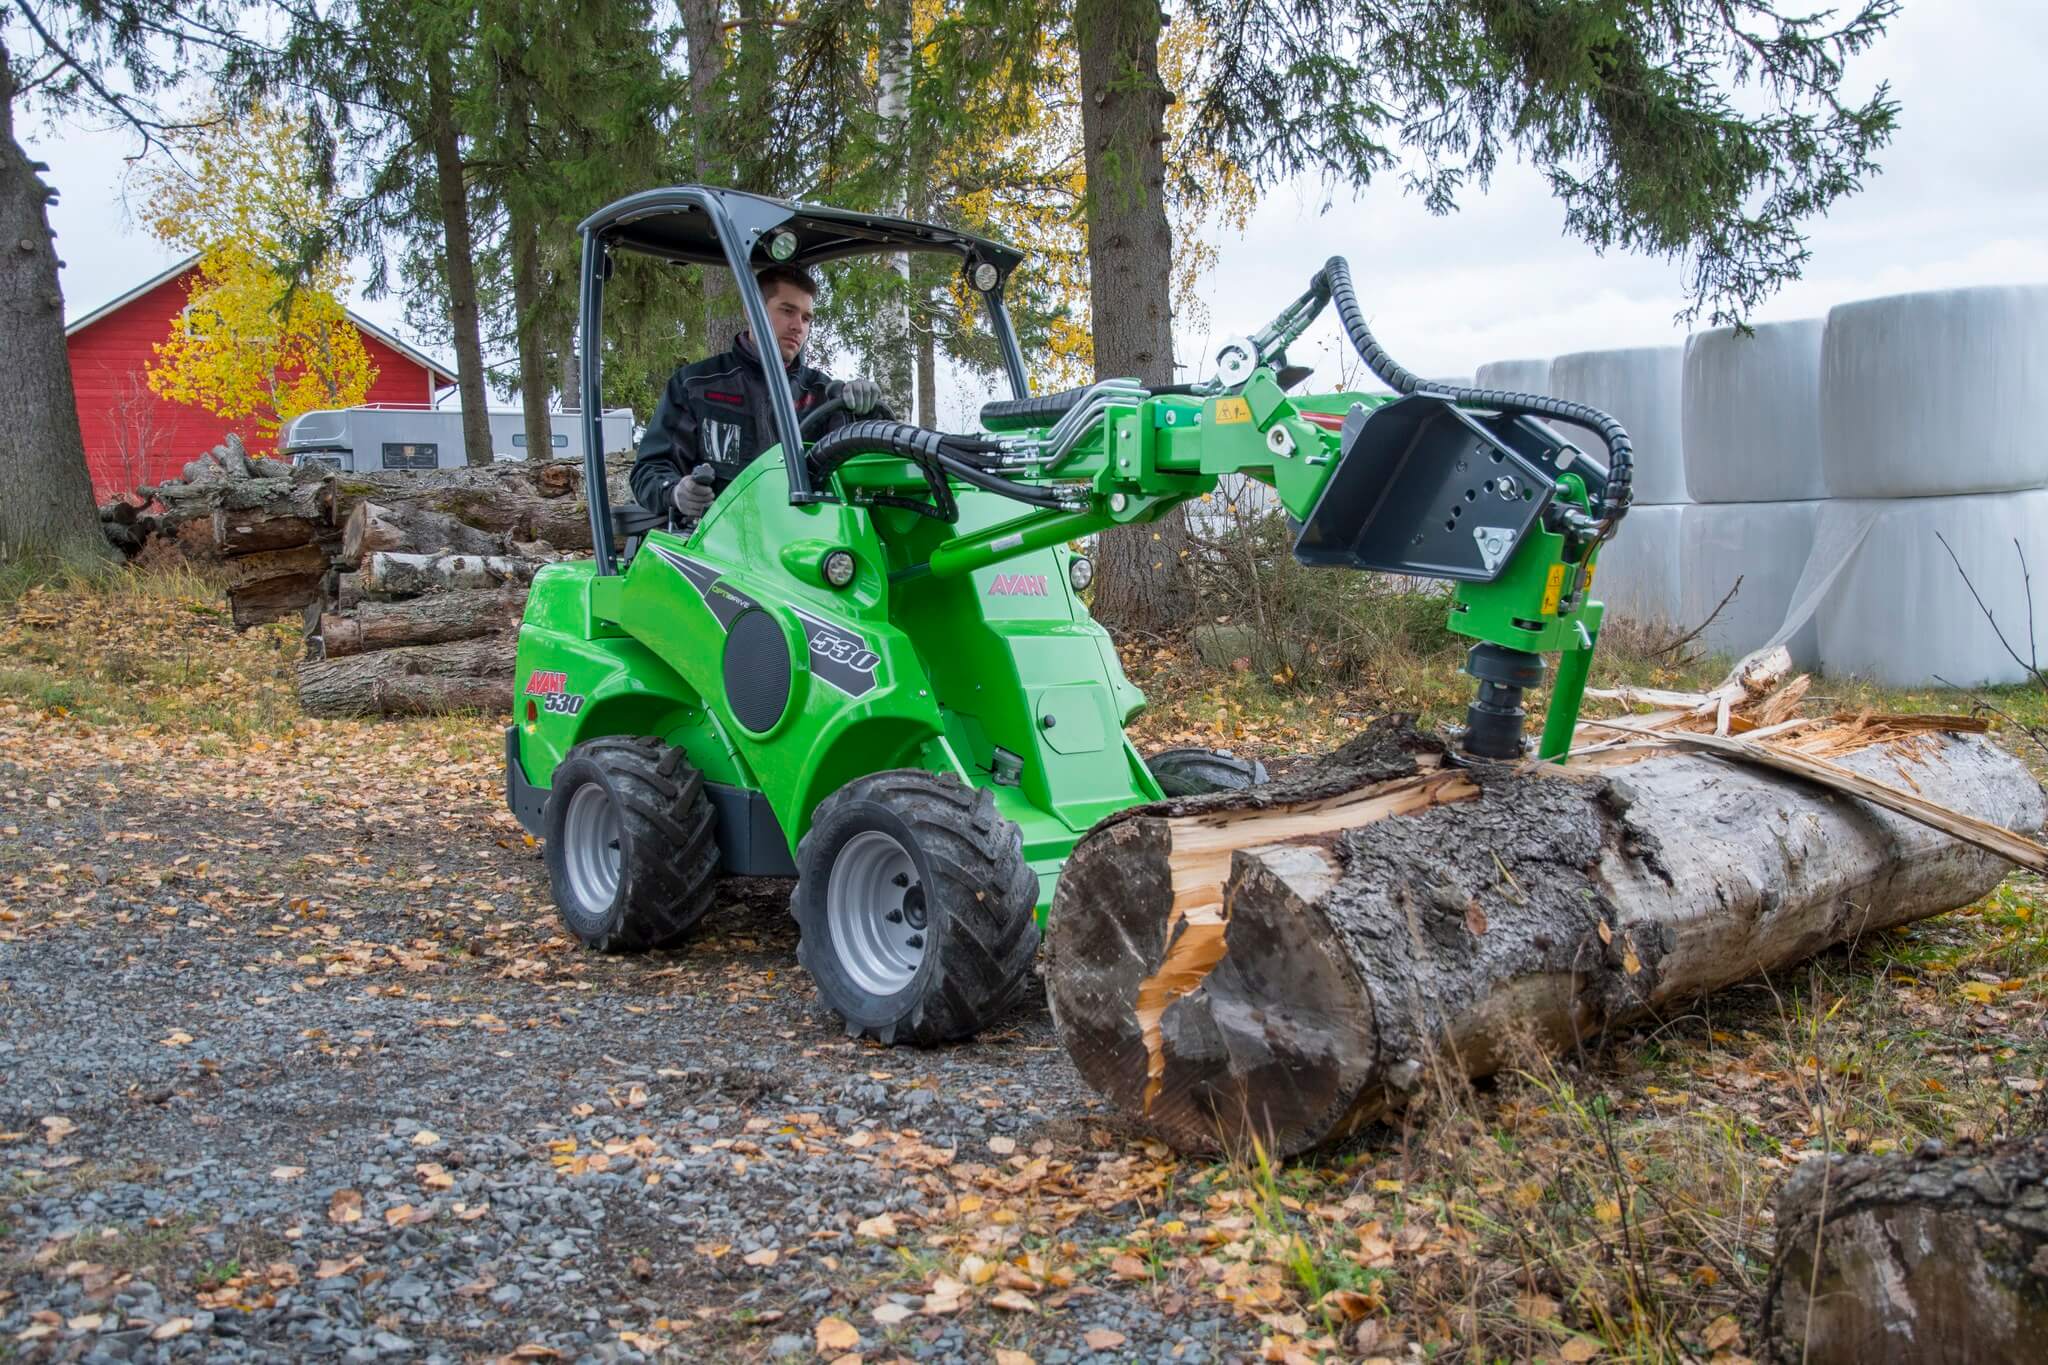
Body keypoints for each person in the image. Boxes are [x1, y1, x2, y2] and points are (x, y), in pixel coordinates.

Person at [630, 263, 889, 521]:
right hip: (718, 533)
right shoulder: (697, 385)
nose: (798, 326)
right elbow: (649, 469)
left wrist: (867, 412)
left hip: (804, 531)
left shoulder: (822, 394)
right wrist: (675, 492)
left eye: (806, 318)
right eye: (787, 311)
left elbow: (864, 466)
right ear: (750, 311)